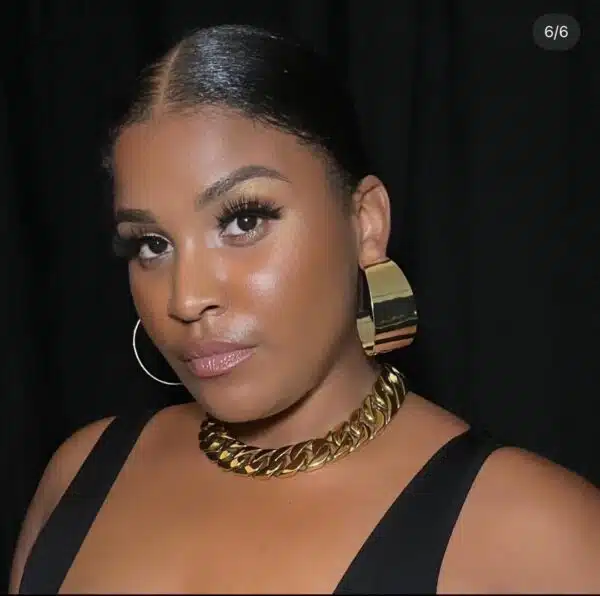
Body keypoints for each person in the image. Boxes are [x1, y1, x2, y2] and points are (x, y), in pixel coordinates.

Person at [10, 24, 600, 594]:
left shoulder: (539, 534)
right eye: (152, 245)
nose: (185, 298)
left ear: (365, 223)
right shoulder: (78, 476)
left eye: (244, 221)